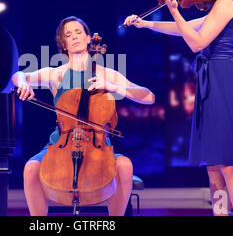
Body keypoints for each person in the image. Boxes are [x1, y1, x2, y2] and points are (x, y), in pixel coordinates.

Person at [124, 0, 233, 216]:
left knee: (227, 162)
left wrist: (175, 11)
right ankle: (221, 214)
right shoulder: (223, 3)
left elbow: (197, 42)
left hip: (224, 80)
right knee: (214, 163)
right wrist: (146, 24)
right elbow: (186, 29)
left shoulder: (226, 2)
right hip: (215, 80)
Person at [12, 16, 155, 216]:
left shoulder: (107, 75)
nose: (74, 37)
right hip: (61, 143)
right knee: (30, 169)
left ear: (89, 38)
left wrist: (113, 87)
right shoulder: (56, 74)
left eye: (78, 32)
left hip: (98, 147)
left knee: (124, 165)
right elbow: (17, 75)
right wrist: (23, 84)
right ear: (63, 44)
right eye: (68, 35)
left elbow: (149, 97)